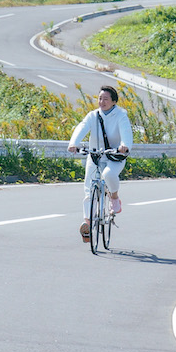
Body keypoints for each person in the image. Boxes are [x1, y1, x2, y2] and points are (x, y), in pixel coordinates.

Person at [67, 85, 133, 243]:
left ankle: (114, 198)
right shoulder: (93, 115)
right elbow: (82, 127)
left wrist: (124, 146)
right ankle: (88, 224)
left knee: (109, 174)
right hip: (95, 155)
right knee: (89, 190)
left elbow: (126, 132)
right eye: (100, 98)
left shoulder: (121, 115)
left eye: (106, 99)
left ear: (114, 101)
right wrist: (73, 143)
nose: (102, 102)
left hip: (114, 156)